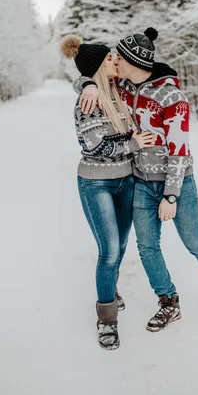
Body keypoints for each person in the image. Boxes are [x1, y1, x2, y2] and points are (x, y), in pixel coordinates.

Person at [76, 27, 198, 332]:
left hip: (177, 182)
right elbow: (90, 72)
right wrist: (88, 83)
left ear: (135, 62)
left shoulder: (172, 97)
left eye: (119, 57)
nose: (114, 61)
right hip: (141, 181)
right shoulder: (124, 87)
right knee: (147, 246)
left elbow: (180, 149)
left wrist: (171, 195)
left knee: (195, 242)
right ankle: (168, 302)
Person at [61, 35, 156, 349]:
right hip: (96, 182)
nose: (117, 60)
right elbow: (96, 146)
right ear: (100, 66)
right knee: (110, 250)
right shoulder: (88, 100)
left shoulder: (120, 93)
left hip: (126, 180)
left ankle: (110, 289)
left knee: (122, 243)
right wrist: (134, 144)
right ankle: (107, 320)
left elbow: (147, 72)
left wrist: (87, 80)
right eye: (110, 59)